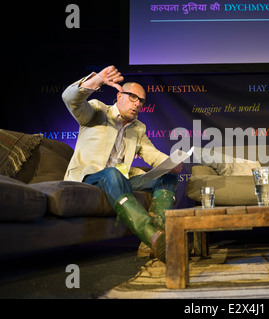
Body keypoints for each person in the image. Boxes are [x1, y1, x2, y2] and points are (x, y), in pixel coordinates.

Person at [62, 66, 182, 262]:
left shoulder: (138, 128)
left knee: (167, 175)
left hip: (121, 179)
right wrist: (97, 80)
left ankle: (152, 240)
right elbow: (70, 99)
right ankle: (151, 234)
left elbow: (150, 152)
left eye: (141, 101)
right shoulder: (96, 111)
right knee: (111, 173)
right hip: (90, 178)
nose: (137, 104)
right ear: (119, 96)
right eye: (133, 97)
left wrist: (170, 163)